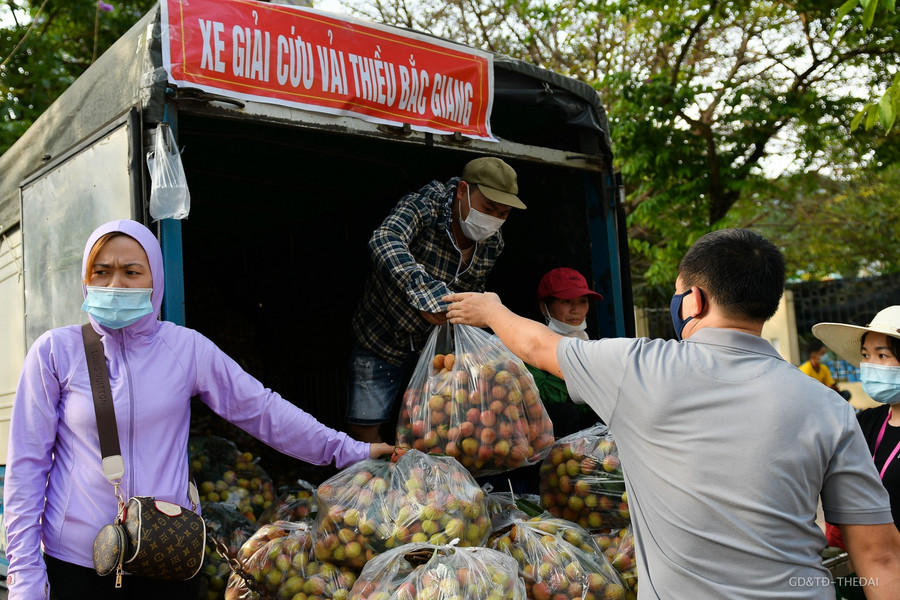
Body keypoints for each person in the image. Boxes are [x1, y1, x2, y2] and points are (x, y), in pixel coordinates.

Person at [445, 228, 900, 598]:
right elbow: (879, 558)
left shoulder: (638, 369)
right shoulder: (828, 406)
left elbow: (538, 346)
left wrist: (491, 309)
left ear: (694, 301)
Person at [3, 220, 393, 600]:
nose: (115, 284)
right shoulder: (56, 352)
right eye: (101, 272)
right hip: (78, 563)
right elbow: (27, 466)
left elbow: (262, 410)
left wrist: (349, 450)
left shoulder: (186, 348)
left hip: (169, 555)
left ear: (155, 278)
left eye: (131, 271)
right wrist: (24, 575)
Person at [345, 156, 526, 443]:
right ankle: (377, 485)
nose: (493, 219)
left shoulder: (493, 242)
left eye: (503, 213)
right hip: (382, 340)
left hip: (437, 352)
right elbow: (384, 238)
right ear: (463, 190)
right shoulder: (425, 206)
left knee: (435, 427)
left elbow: (474, 291)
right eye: (488, 208)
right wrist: (427, 296)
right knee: (364, 428)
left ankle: (423, 484)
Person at [813, 306, 900, 598]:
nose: (870, 364)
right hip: (865, 575)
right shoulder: (863, 422)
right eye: (865, 355)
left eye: (882, 355)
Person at [529, 267, 603, 437]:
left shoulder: (590, 345)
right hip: (547, 437)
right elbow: (541, 400)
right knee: (564, 413)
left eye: (583, 301)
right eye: (567, 301)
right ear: (544, 307)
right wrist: (569, 362)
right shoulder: (531, 346)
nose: (576, 310)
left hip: (583, 438)